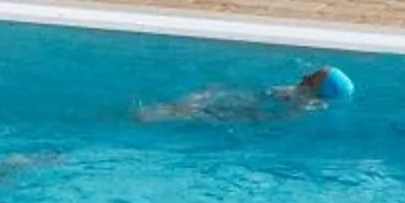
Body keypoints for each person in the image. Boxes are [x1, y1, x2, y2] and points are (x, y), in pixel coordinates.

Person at [135, 65, 354, 124]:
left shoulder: (297, 103)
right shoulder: (301, 97)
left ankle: (149, 117)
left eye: (312, 77)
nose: (305, 75)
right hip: (245, 107)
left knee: (192, 107)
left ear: (318, 89)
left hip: (241, 113)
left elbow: (267, 116)